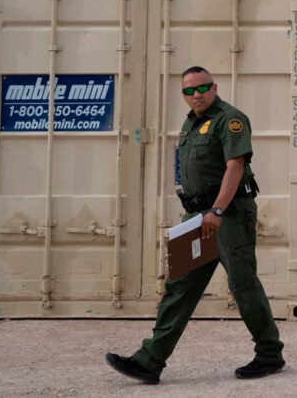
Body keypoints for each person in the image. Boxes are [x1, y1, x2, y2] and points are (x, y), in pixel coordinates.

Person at [105, 66, 285, 384]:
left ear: (214, 88)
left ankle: (269, 354)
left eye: (202, 88)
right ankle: (149, 361)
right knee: (180, 286)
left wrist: (217, 210)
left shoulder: (230, 119)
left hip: (227, 215)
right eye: (189, 91)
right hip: (196, 216)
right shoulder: (190, 123)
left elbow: (235, 167)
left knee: (242, 284)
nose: (196, 95)